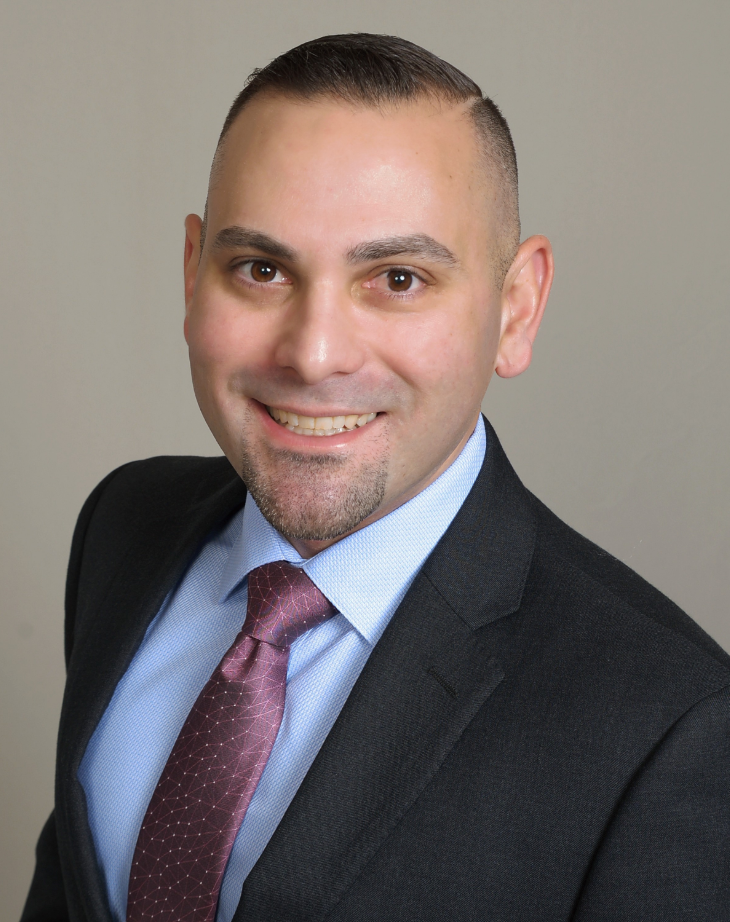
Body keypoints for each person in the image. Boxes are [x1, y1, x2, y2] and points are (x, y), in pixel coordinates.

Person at [22, 33, 729, 922]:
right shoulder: (126, 525)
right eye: (261, 269)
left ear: (516, 309)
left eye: (398, 278)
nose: (314, 354)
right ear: (194, 275)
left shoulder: (670, 726)